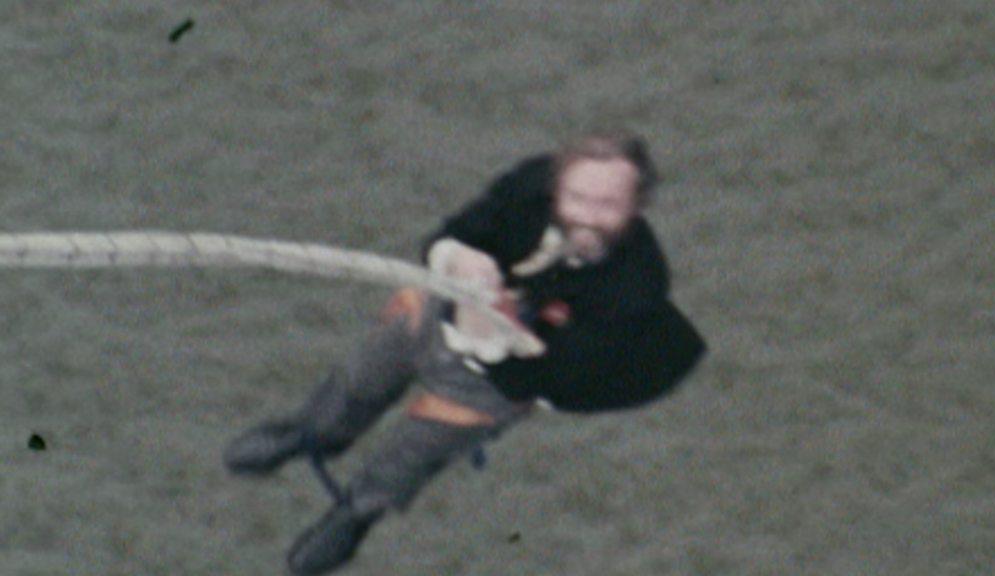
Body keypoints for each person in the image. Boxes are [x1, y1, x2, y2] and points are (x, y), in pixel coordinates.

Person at [223, 130, 708, 575]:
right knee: (356, 381)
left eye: (607, 205)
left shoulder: (636, 288)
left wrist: (493, 339)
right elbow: (457, 230)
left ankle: (357, 512)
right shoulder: (530, 186)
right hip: (438, 309)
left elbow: (558, 371)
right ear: (558, 186)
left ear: (636, 206)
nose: (586, 215)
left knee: (412, 452)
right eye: (577, 197)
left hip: (497, 381)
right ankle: (312, 434)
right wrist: (457, 258)